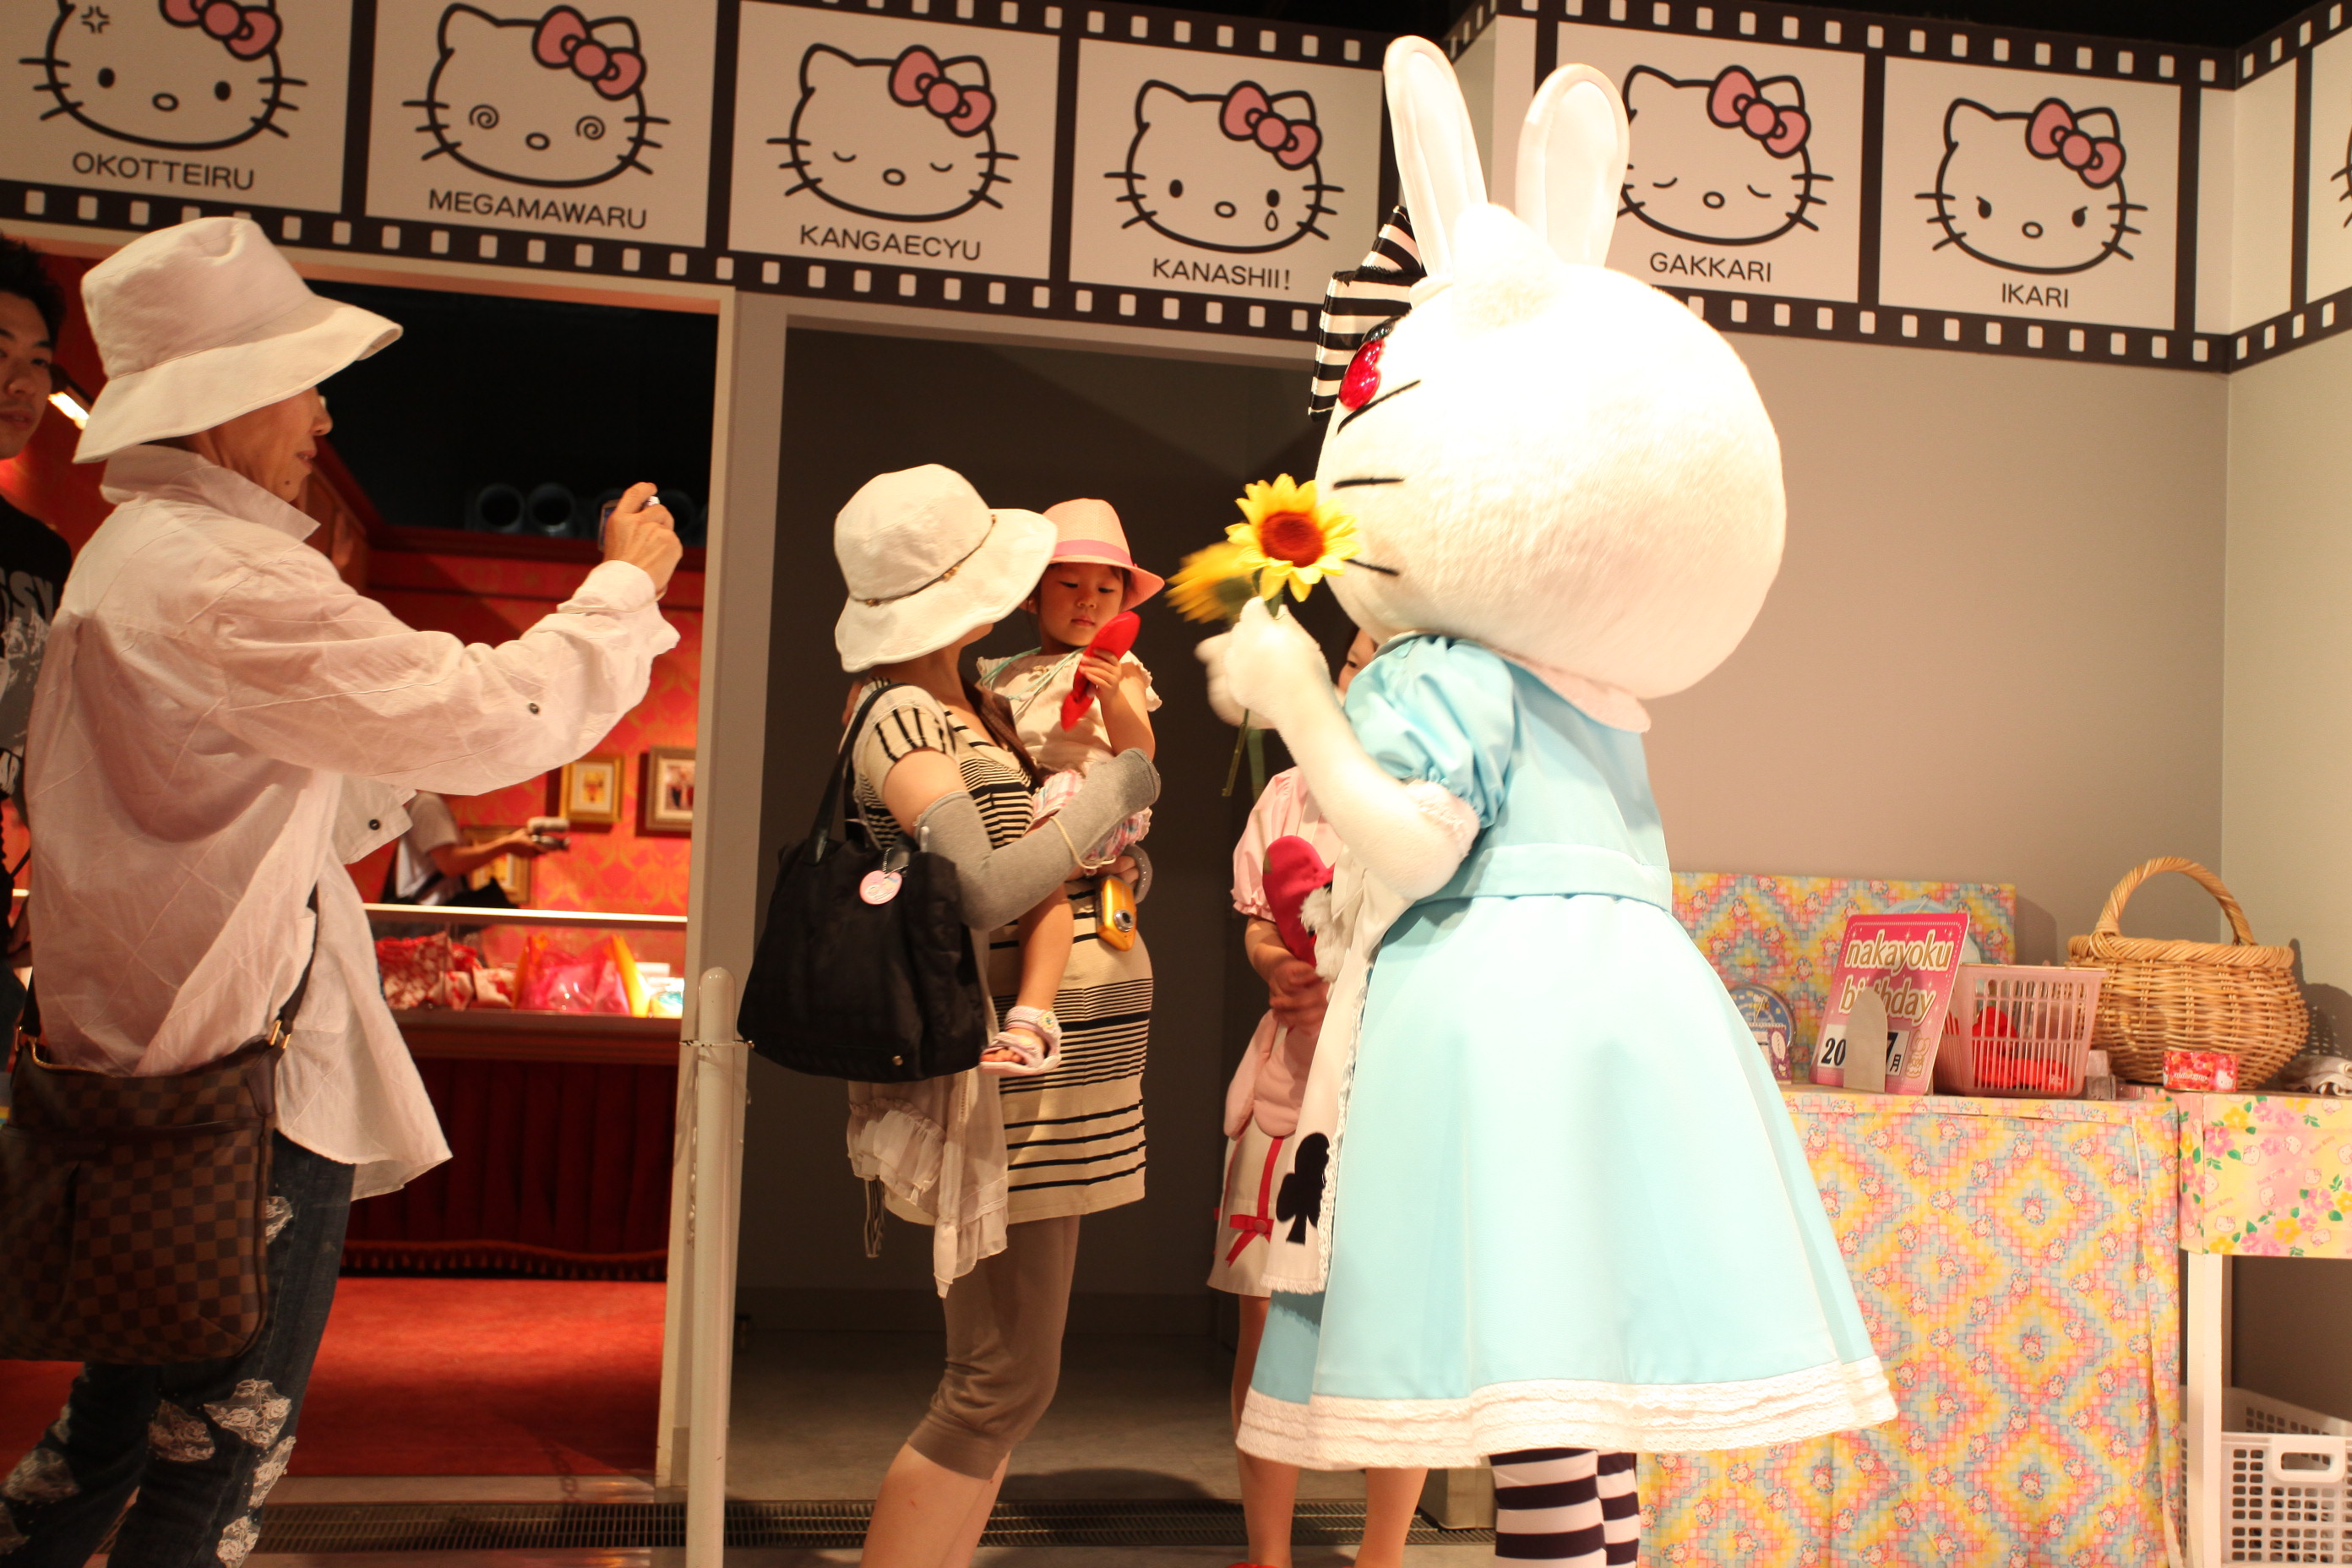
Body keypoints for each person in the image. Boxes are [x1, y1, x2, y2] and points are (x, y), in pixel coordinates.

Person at [0, 215, 683, 1568]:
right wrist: (620, 588)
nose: (321, 413)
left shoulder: (138, 556)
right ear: (225, 400)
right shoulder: (220, 574)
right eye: (301, 380)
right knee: (216, 1457)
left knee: (115, 1428)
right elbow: (484, 714)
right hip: (236, 1083)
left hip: (160, 1068)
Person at [829, 465, 1157, 1568]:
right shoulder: (903, 713)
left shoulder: (964, 701)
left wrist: (1114, 851)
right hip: (991, 1073)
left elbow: (1043, 865)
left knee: (1011, 1378)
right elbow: (984, 886)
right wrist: (1122, 783)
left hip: (1037, 1068)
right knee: (999, 1377)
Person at [1210, 632, 1420, 1568]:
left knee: (1395, 1322)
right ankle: (1267, 1553)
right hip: (1291, 1083)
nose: (1366, 675)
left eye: (1393, 656)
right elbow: (1260, 923)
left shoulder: (1439, 803)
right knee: (1265, 1315)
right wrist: (1279, 966)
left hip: (1399, 1084)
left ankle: (1384, 1554)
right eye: (1356, 657)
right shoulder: (1289, 793)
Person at [976, 499, 1162, 1074]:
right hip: (1024, 801)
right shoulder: (1001, 670)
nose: (1088, 600)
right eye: (1070, 584)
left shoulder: (1121, 667)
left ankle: (1033, 1018)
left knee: (1040, 867)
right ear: (1033, 594)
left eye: (1106, 589)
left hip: (1090, 799)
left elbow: (1140, 758)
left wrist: (1110, 694)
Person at [0, 236, 77, 1031]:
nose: (20, 382)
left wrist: (51, 872)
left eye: (38, 362)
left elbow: (45, 734)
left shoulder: (41, 554)